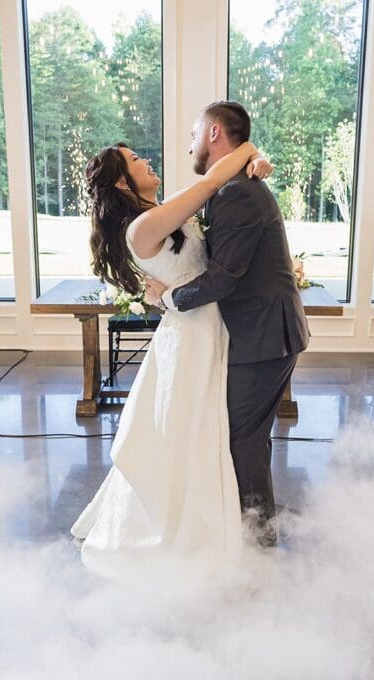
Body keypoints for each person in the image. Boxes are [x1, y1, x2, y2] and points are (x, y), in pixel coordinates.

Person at [70, 105, 278, 578]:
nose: (149, 162)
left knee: (210, 434)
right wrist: (248, 149)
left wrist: (254, 162)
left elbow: (217, 190)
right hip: (191, 337)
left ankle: (224, 523)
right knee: (195, 434)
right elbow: (208, 184)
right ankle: (193, 528)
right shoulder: (142, 227)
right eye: (137, 161)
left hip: (212, 326)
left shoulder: (158, 214)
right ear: (123, 183)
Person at [144, 101, 309, 548]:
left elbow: (224, 277)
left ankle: (258, 544)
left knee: (243, 442)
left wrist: (170, 297)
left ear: (215, 134)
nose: (190, 143)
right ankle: (254, 530)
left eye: (195, 133)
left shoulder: (238, 192)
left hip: (263, 337)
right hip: (260, 333)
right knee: (248, 438)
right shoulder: (230, 186)